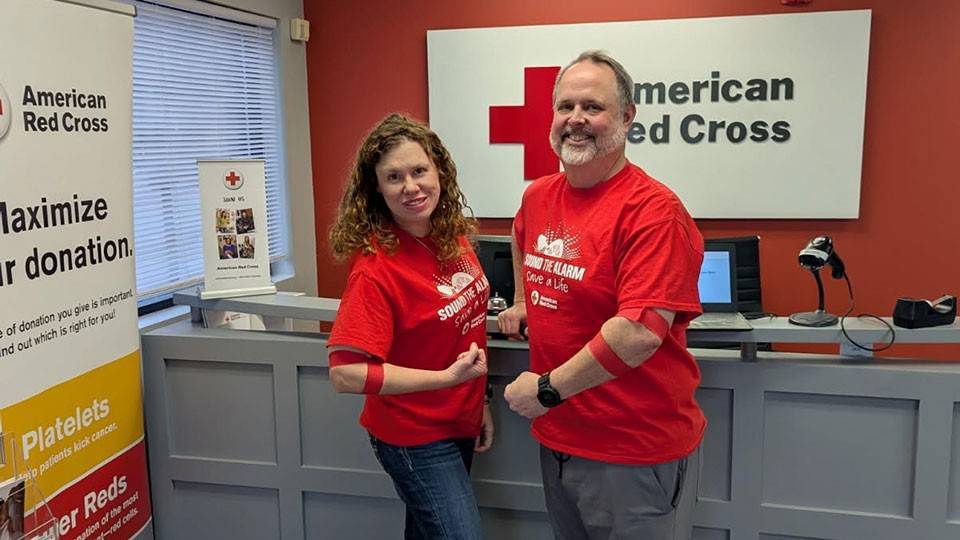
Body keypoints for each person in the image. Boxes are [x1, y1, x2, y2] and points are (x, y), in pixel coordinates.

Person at [497, 51, 706, 540]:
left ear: (628, 116)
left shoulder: (654, 211)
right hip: (561, 439)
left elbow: (638, 333)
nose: (576, 119)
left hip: (631, 452)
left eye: (593, 106)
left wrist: (547, 389)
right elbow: (519, 234)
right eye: (565, 106)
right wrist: (525, 299)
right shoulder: (539, 195)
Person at [327, 113, 493, 540]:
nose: (412, 186)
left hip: (459, 419)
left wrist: (480, 400)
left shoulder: (449, 235)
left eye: (420, 170)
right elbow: (345, 373)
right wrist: (445, 379)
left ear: (439, 171)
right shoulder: (377, 270)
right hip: (414, 436)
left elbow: (464, 328)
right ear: (377, 189)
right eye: (394, 177)